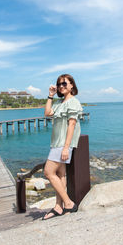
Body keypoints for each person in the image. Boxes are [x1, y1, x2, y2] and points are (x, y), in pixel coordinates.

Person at [42, 74, 83, 220]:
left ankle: (68, 203)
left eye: (64, 83)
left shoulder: (73, 102)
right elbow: (47, 113)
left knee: (48, 172)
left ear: (72, 85)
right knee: (60, 175)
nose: (61, 86)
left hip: (63, 144)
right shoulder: (59, 103)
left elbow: (71, 125)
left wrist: (66, 147)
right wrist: (50, 96)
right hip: (56, 143)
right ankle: (58, 206)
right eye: (59, 84)